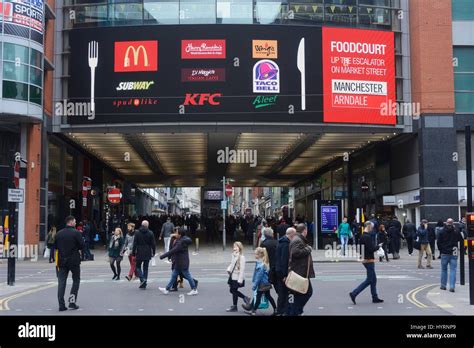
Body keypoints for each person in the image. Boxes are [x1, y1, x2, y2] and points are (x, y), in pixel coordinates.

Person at [55, 216, 85, 311]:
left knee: (61, 282)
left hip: (62, 260)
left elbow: (55, 247)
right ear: (71, 222)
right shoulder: (76, 233)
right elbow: (82, 246)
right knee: (76, 281)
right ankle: (72, 302)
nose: (76, 223)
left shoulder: (59, 233)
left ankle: (61, 305)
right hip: (74, 260)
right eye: (75, 221)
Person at [349, 221, 384, 305]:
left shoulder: (361, 236)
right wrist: (378, 246)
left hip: (365, 259)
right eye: (371, 227)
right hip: (369, 260)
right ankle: (354, 293)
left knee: (373, 279)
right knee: (369, 280)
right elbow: (371, 249)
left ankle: (374, 297)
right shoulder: (367, 237)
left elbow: (359, 249)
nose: (372, 228)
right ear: (368, 226)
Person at [159, 228, 198, 296]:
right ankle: (166, 289)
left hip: (182, 262)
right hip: (179, 262)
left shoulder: (180, 243)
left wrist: (162, 256)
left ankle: (194, 289)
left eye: (177, 233)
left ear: (180, 235)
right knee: (174, 276)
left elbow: (172, 251)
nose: (175, 234)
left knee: (187, 276)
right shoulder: (181, 240)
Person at [286, 223, 315, 316]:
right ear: (304, 231)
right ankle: (296, 310)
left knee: (301, 293)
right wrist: (308, 249)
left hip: (300, 271)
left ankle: (296, 310)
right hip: (299, 272)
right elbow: (295, 253)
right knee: (307, 292)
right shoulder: (297, 240)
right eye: (306, 230)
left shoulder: (298, 239)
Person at [241, 247, 277, 315]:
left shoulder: (261, 265)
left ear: (260, 255)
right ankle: (275, 309)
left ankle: (253, 311)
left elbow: (259, 277)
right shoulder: (262, 263)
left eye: (256, 254)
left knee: (258, 297)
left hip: (262, 284)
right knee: (268, 296)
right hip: (266, 283)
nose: (255, 256)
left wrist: (254, 285)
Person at [275, 227, 296, 315]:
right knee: (284, 293)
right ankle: (282, 310)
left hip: (279, 272)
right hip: (282, 274)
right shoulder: (286, 244)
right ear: (291, 234)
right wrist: (284, 275)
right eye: (294, 235)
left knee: (282, 293)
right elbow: (284, 260)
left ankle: (281, 310)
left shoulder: (281, 242)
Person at [437, 218, 463, 292]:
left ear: (446, 223)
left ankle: (443, 285)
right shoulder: (456, 231)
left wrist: (441, 250)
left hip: (444, 252)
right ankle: (452, 286)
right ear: (453, 223)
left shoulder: (442, 231)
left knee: (444, 269)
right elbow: (461, 240)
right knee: (453, 270)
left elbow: (438, 242)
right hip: (454, 252)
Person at [225, 242, 250, 312]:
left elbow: (242, 269)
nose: (234, 248)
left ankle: (234, 306)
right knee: (232, 290)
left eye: (236, 247)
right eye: (234, 247)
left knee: (234, 291)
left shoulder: (241, 257)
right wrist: (229, 269)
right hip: (232, 276)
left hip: (237, 277)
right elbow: (232, 264)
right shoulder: (234, 255)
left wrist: (240, 280)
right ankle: (245, 298)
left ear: (240, 248)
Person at [132, 220, 156, 289]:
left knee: (137, 267)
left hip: (139, 251)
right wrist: (153, 251)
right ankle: (144, 281)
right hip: (147, 251)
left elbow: (135, 243)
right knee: (146, 268)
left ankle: (142, 279)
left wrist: (133, 253)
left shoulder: (137, 232)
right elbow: (153, 244)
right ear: (147, 225)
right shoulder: (150, 233)